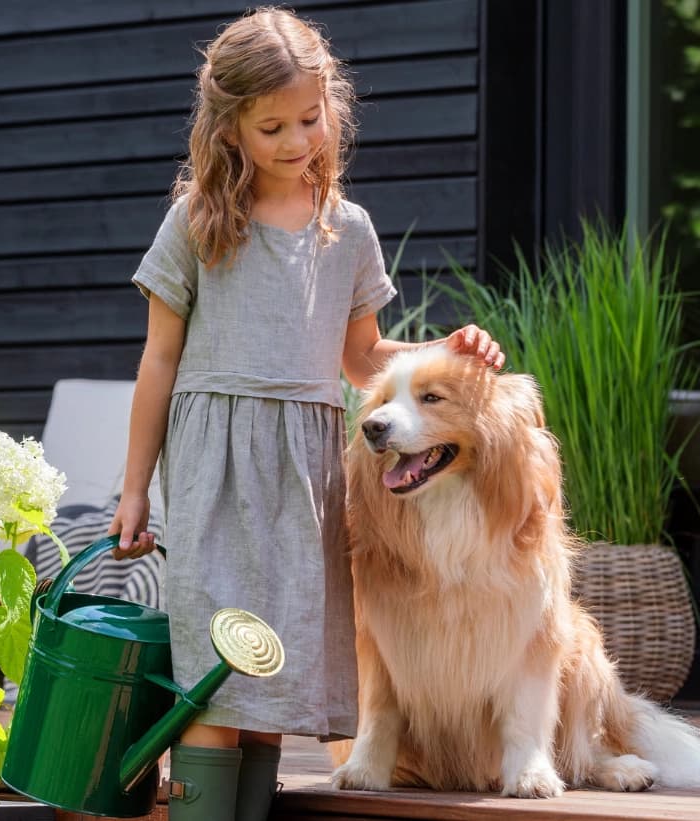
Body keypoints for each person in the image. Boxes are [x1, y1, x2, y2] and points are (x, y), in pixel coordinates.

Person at [106, 8, 504, 821]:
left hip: (304, 476)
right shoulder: (197, 222)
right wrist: (134, 487)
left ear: (332, 109)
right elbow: (158, 360)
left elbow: (362, 359)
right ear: (228, 128)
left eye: (310, 119)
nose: (297, 140)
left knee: (271, 670)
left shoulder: (346, 230)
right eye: (272, 127)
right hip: (216, 468)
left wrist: (448, 347)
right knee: (214, 671)